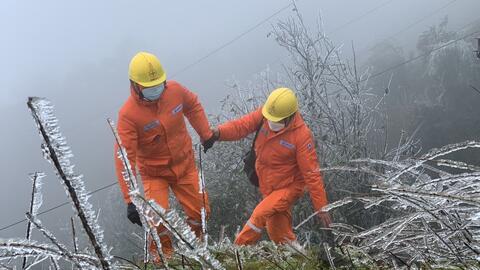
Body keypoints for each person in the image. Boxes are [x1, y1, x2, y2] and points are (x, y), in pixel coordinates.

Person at [114, 52, 216, 259]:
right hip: (154, 174)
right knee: (156, 221)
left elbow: (193, 105)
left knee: (201, 213)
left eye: (159, 84)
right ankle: (164, 261)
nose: (156, 90)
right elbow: (124, 159)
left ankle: (195, 253)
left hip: (185, 165)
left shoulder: (175, 91)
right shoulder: (128, 115)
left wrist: (205, 134)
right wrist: (130, 199)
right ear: (135, 85)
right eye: (149, 87)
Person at [210, 87, 331, 245]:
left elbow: (312, 174)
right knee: (278, 233)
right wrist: (218, 133)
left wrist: (321, 207)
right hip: (268, 187)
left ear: (290, 117)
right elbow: (241, 126)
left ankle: (236, 251)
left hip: (289, 187)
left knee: (259, 214)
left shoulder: (301, 136)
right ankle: (298, 260)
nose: (272, 122)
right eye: (270, 118)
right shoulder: (265, 115)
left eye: (278, 120)